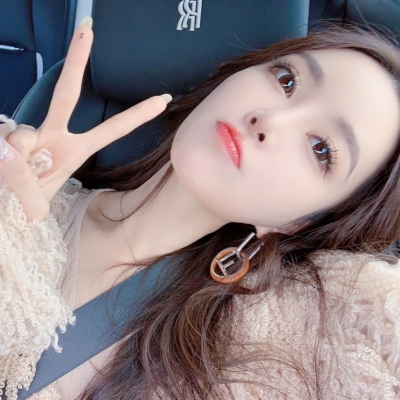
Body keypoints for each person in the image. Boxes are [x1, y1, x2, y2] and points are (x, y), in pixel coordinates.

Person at [0, 18, 400, 399]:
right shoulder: (23, 194)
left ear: (299, 222)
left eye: (321, 149)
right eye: (286, 80)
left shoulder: (261, 345)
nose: (271, 120)